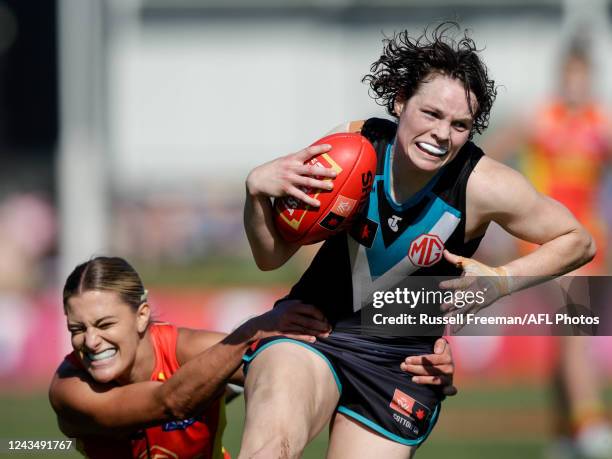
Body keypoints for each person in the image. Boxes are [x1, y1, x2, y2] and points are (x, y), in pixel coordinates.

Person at [241, 23, 596, 459]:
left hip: (404, 368)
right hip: (312, 335)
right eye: (431, 114)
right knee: (269, 450)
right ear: (400, 100)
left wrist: (500, 281)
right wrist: (256, 193)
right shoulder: (353, 146)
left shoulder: (482, 185)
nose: (443, 134)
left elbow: (577, 240)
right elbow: (270, 256)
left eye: (460, 124)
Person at [49, 256, 457, 458]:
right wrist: (253, 331)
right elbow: (170, 400)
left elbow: (320, 375)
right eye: (77, 329)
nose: (91, 341)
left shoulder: (188, 349)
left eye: (105, 324)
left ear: (140, 315)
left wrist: (413, 369)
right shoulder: (70, 390)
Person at [484, 41, 612, 459]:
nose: (576, 85)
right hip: (545, 242)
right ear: (562, 77)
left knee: (568, 337)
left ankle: (566, 435)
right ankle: (592, 429)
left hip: (589, 243)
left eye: (582, 77)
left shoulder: (601, 123)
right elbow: (491, 156)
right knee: (576, 333)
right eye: (570, 76)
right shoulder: (541, 118)